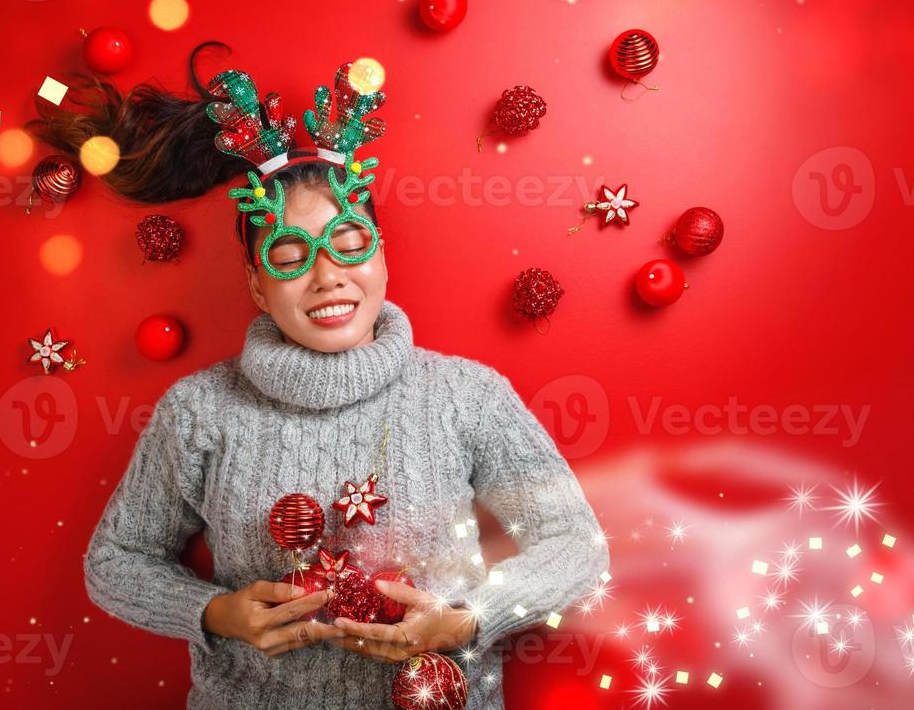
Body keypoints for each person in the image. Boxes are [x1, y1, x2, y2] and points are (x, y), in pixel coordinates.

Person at [36, 44, 607, 709]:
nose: (327, 274)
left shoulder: (467, 396)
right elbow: (115, 562)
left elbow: (575, 544)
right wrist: (217, 616)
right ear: (256, 284)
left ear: (381, 256)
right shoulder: (199, 410)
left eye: (349, 242)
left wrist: (470, 619)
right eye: (289, 253)